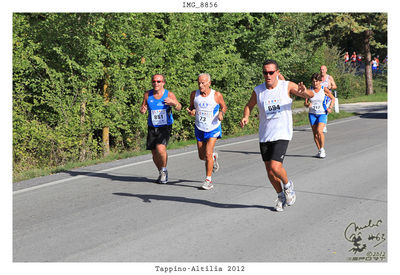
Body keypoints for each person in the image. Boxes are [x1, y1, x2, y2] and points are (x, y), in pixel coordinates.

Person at [239, 59, 314, 212]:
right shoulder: (258, 90)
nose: (268, 75)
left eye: (271, 72)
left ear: (277, 73)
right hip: (265, 135)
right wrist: (246, 116)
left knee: (275, 166)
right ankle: (280, 196)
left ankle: (288, 186)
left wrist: (304, 91)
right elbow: (249, 105)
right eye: (265, 72)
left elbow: (311, 94)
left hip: (282, 133)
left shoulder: (286, 86)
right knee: (270, 172)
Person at [186, 73, 227, 190]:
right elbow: (192, 106)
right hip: (199, 127)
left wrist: (221, 113)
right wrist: (191, 111)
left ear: (209, 83)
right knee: (201, 156)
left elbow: (224, 106)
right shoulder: (194, 94)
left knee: (208, 153)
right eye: (199, 82)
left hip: (213, 128)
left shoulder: (216, 95)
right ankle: (213, 158)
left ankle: (208, 180)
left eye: (203, 82)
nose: (200, 85)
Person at [140, 74, 181, 184]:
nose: (156, 83)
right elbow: (143, 107)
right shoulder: (148, 94)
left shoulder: (169, 94)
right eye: (154, 81)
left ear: (163, 83)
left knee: (160, 148)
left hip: (165, 126)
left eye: (159, 81)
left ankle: (163, 170)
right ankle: (161, 171)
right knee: (154, 153)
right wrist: (142, 110)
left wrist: (173, 103)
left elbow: (179, 107)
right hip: (152, 126)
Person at [304, 73, 335, 159]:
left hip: (322, 113)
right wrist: (307, 104)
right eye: (313, 82)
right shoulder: (309, 90)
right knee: (315, 134)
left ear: (320, 81)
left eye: (316, 81)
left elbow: (333, 98)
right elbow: (305, 103)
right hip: (312, 114)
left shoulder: (323, 89)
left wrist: (330, 107)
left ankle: (322, 149)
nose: (315, 83)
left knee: (319, 131)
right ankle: (320, 150)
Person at [320, 65, 337, 133]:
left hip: (328, 97)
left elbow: (335, 86)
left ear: (326, 70)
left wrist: (331, 87)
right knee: (320, 110)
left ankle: (324, 126)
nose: (322, 71)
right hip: (320, 97)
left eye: (323, 69)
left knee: (325, 110)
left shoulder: (329, 78)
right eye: (321, 69)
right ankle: (321, 124)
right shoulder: (319, 78)